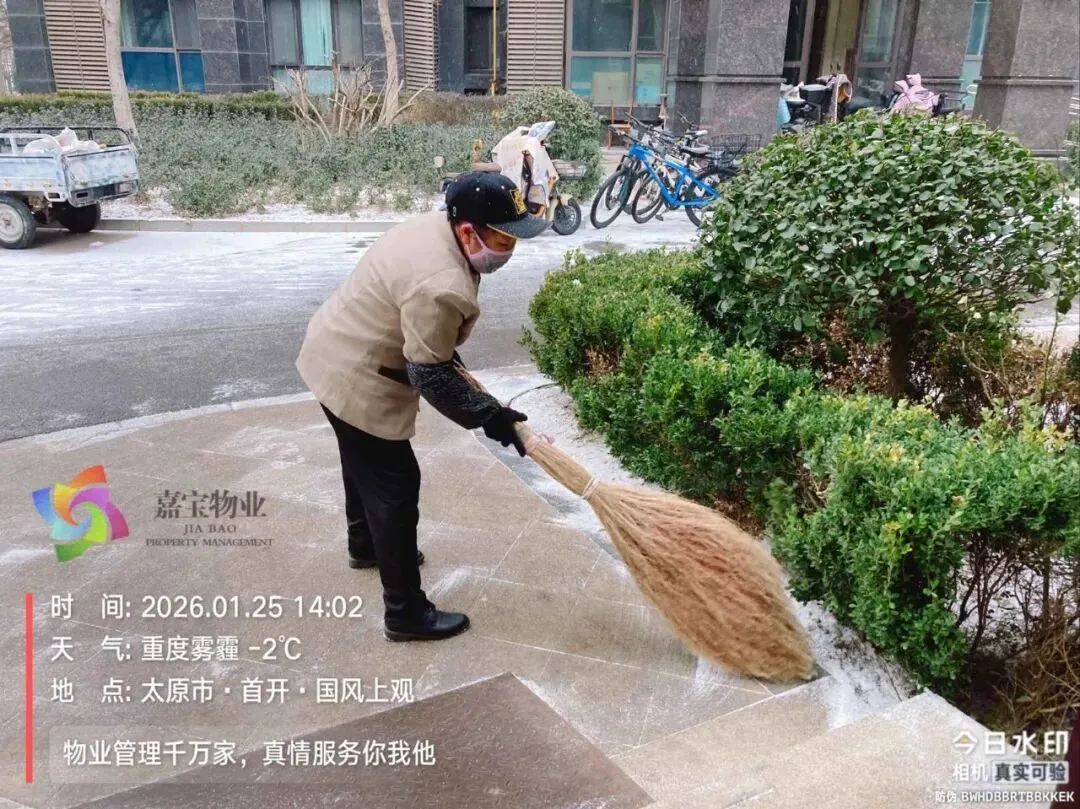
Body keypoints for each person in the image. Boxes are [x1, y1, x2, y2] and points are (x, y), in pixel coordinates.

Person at [295, 172, 548, 642]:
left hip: (331, 348)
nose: (509, 250)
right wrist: (491, 417)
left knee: (361, 461)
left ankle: (365, 544)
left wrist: (485, 405)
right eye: (502, 239)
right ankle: (405, 613)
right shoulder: (442, 284)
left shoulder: (435, 226)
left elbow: (434, 349)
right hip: (356, 372)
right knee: (393, 483)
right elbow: (430, 373)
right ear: (468, 231)